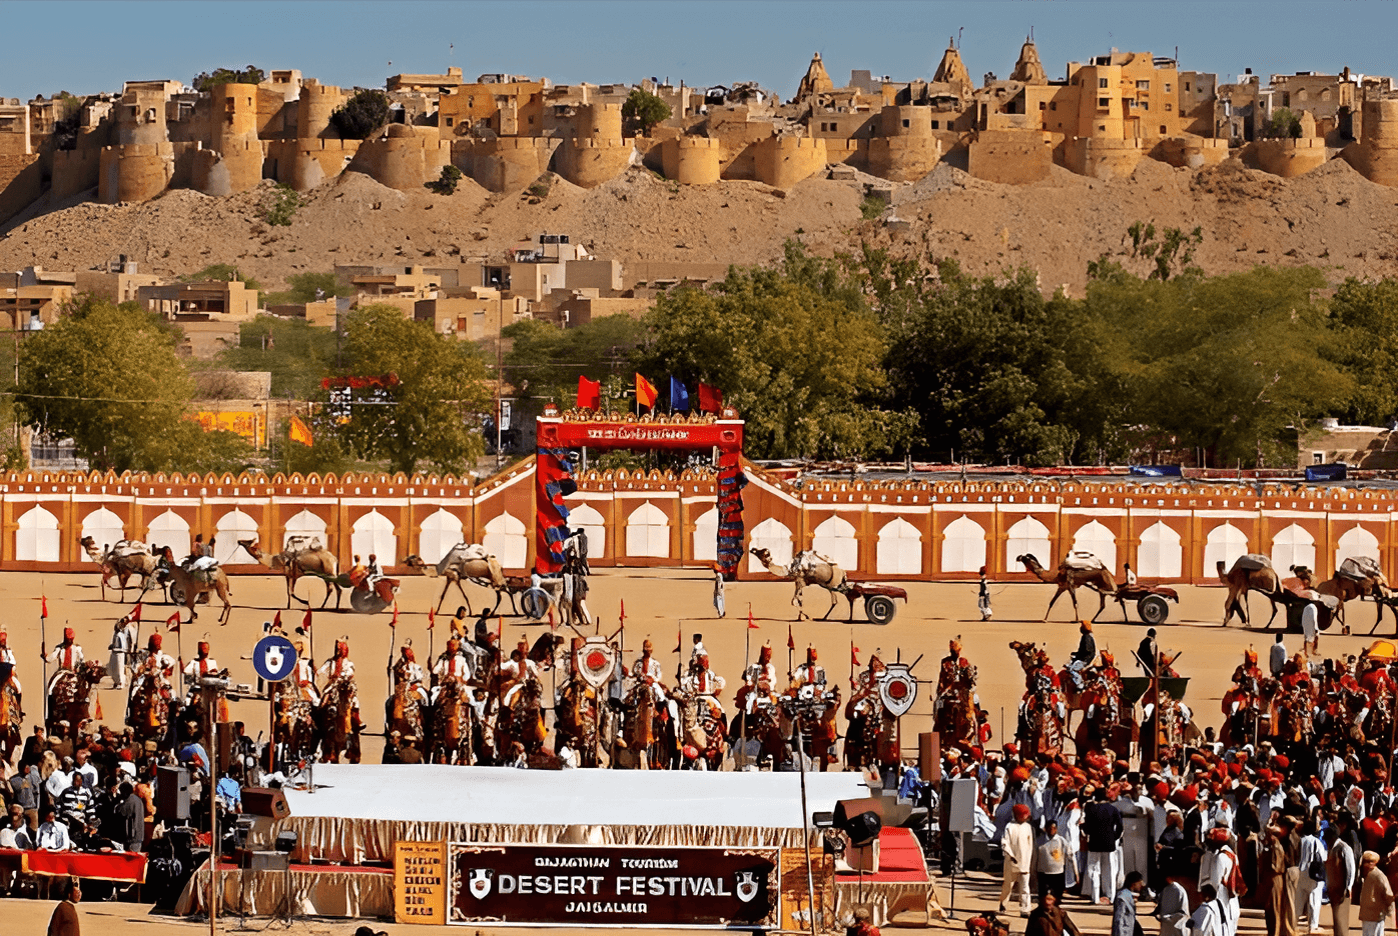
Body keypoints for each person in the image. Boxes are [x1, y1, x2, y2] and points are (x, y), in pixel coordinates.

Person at [1084, 785, 1124, 905]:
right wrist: (1113, 837)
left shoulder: (1091, 809)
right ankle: (1110, 896)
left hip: (1095, 843)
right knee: (1110, 870)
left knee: (1094, 870)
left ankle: (1095, 897)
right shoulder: (1113, 809)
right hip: (1109, 843)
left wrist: (1088, 833)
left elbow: (1087, 827)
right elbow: (1120, 827)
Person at [1263, 815, 1299, 936]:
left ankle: (1286, 930)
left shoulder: (1285, 840)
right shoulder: (1293, 837)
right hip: (1289, 872)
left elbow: (1277, 864)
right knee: (1285, 905)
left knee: (1282, 905)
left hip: (1285, 873)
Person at [1000, 802, 1034, 916]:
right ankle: (1003, 904)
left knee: (1025, 887)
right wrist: (1011, 856)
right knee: (1008, 886)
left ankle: (1025, 909)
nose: (1025, 817)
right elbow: (1005, 843)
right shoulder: (1010, 827)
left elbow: (1030, 846)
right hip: (1011, 862)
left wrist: (1029, 861)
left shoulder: (1028, 827)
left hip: (1024, 862)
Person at [1298, 818, 1328, 935]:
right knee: (1314, 900)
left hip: (1301, 872)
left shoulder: (1300, 841)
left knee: (1299, 900)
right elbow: (1323, 857)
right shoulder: (1316, 842)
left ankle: (1293, 923)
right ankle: (1313, 925)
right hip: (1313, 873)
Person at [1326, 824, 1357, 936]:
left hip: (1342, 890)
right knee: (1337, 920)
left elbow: (1351, 868)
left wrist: (1349, 886)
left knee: (1341, 920)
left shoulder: (1344, 847)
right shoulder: (1332, 848)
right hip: (1333, 890)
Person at [1359, 851, 1393, 936]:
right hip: (1367, 914)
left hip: (1376, 914)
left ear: (1374, 863)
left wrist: (1389, 910)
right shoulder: (1366, 875)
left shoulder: (1378, 875)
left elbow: (1388, 893)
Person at [1035, 818, 1069, 902]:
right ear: (1045, 828)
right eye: (1050, 828)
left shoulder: (1061, 840)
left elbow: (1070, 855)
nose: (1052, 830)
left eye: (1054, 828)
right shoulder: (1039, 840)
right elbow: (1034, 856)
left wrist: (1076, 873)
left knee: (1057, 895)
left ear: (1056, 829)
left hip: (1058, 872)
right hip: (1043, 871)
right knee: (1043, 895)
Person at [106, 617, 136, 690]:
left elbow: (123, 646)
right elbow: (114, 643)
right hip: (114, 653)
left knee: (120, 669)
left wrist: (117, 649)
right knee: (113, 669)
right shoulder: (115, 634)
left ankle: (121, 683)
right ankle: (116, 682)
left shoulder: (121, 635)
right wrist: (112, 646)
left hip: (120, 654)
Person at [1066, 622, 1097, 691]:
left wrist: (1078, 655)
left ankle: (1079, 685)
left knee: (1072, 669)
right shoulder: (1088, 636)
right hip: (1086, 658)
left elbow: (1086, 650)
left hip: (1085, 659)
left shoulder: (1086, 637)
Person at [1113, 872, 1146, 936]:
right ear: (1133, 884)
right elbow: (1119, 919)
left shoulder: (1128, 895)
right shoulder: (1122, 897)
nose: (1141, 886)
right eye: (1139, 883)